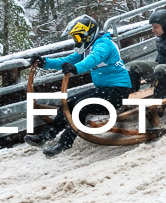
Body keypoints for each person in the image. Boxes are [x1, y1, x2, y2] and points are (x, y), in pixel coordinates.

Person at [25, 14, 132, 157]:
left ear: (88, 34)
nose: (76, 41)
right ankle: (46, 136)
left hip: (118, 91)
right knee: (68, 103)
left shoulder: (103, 44)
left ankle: (64, 143)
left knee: (81, 105)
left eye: (78, 37)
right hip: (104, 90)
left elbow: (94, 59)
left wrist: (76, 68)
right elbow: (69, 60)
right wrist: (44, 62)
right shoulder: (88, 47)